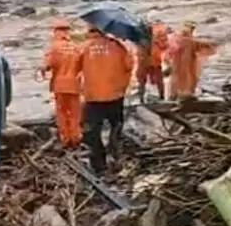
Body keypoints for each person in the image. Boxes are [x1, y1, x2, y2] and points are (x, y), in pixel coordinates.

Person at [78, 27, 134, 172]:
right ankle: (115, 154)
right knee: (116, 125)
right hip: (115, 95)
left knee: (92, 131)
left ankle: (99, 164)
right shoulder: (118, 46)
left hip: (93, 97)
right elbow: (129, 65)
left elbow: (75, 68)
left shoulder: (84, 48)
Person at [38, 19, 82, 148]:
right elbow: (82, 66)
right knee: (75, 113)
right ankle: (76, 138)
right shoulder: (76, 47)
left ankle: (65, 138)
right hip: (74, 84)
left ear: (56, 31)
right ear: (68, 31)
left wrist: (43, 71)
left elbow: (46, 66)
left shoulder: (54, 47)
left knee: (62, 112)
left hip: (59, 85)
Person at [168, 21, 218, 100]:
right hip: (188, 63)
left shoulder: (175, 38)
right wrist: (215, 44)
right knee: (189, 77)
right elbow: (204, 47)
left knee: (178, 77)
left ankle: (174, 94)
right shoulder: (191, 41)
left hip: (177, 63)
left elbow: (169, 50)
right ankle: (186, 93)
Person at [136, 16, 172, 102]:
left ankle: (143, 98)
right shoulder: (153, 37)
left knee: (144, 81)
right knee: (152, 81)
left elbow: (164, 46)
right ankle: (160, 97)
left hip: (147, 61)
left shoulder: (141, 38)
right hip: (149, 61)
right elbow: (164, 46)